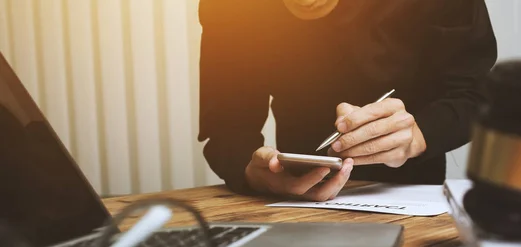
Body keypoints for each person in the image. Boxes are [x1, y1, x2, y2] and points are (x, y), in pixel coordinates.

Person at [198, 0, 497, 201]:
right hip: (294, 201)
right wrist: (252, 174)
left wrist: (418, 135)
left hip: (409, 194)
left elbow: (475, 93)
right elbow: (226, 124)